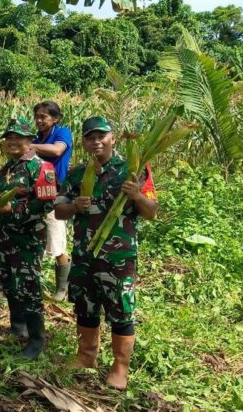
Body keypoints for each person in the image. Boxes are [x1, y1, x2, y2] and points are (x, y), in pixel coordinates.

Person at [54, 116, 157, 390]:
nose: (96, 141)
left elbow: (151, 211)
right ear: (85, 142)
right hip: (85, 254)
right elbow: (58, 211)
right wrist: (75, 205)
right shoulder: (77, 174)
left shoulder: (133, 169)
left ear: (112, 138)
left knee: (121, 310)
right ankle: (87, 356)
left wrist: (136, 195)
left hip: (118, 257)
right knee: (85, 306)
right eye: (90, 137)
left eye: (101, 135)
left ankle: (120, 367)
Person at [0, 117, 57, 360]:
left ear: (30, 140)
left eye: (19, 137)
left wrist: (13, 210)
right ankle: (17, 328)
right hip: (4, 238)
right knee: (8, 281)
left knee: (28, 287)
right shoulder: (7, 169)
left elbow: (47, 203)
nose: (13, 141)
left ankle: (36, 340)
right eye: (9, 137)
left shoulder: (41, 167)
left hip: (27, 239)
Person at [30, 101, 73, 301]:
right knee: (36, 237)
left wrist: (29, 146)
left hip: (56, 192)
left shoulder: (62, 133)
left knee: (57, 240)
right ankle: (33, 283)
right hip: (37, 193)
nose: (39, 120)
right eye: (37, 116)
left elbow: (57, 151)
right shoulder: (39, 137)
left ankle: (62, 288)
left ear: (55, 118)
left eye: (43, 117)